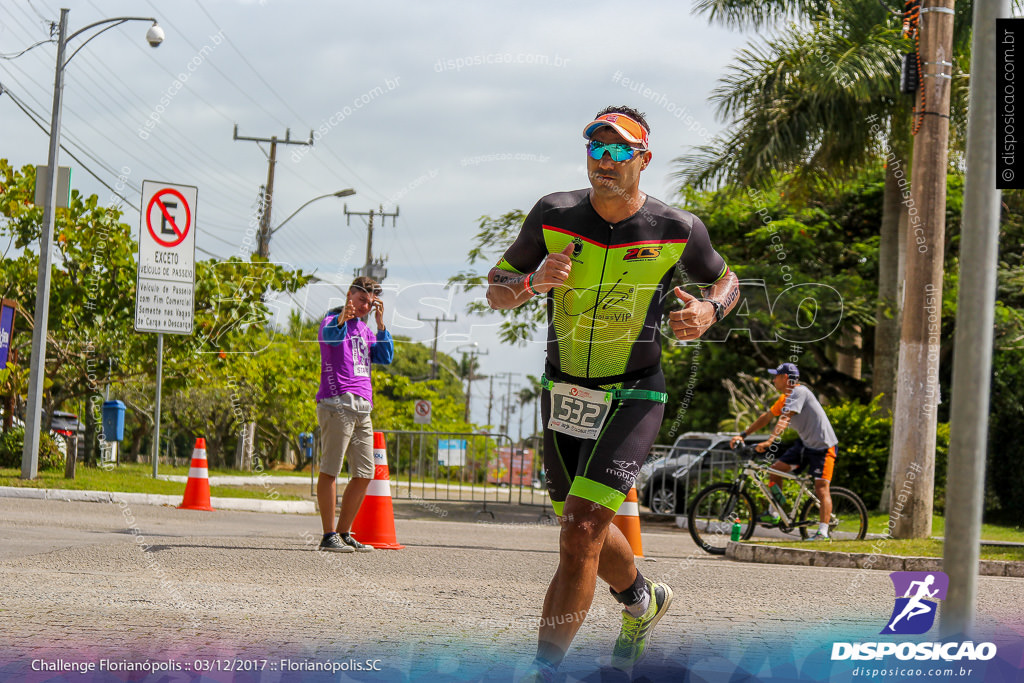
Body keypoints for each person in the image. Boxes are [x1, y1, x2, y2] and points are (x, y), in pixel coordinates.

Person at [486, 106, 739, 678]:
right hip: (565, 390)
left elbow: (727, 280)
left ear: (643, 160)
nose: (606, 160)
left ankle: (543, 669)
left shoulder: (677, 228)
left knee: (580, 529)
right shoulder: (553, 214)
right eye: (596, 149)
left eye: (620, 150)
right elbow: (496, 290)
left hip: (635, 393)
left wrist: (708, 310)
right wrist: (532, 283)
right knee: (581, 528)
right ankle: (642, 601)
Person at [315, 276, 394, 553]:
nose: (365, 306)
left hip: (363, 407)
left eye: (370, 303)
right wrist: (342, 318)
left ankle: (344, 532)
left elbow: (384, 356)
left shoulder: (365, 329)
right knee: (331, 470)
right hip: (337, 403)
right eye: (362, 299)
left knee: (365, 473)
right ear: (350, 295)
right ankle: (328, 535)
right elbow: (329, 338)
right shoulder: (332, 321)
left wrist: (381, 325)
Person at [729, 362, 838, 541]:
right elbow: (767, 417)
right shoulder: (784, 398)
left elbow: (785, 418)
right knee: (775, 471)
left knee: (821, 488)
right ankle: (775, 513)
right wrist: (743, 434)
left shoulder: (799, 393)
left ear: (785, 378)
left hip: (823, 447)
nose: (773, 380)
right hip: (805, 445)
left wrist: (770, 440)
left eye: (775, 377)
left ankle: (823, 532)